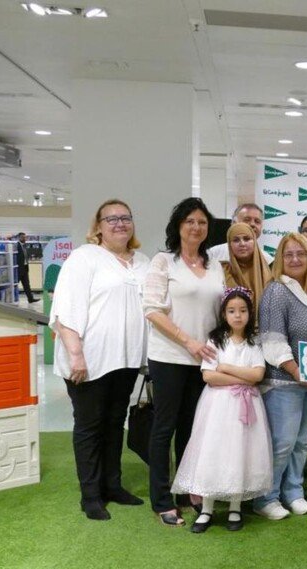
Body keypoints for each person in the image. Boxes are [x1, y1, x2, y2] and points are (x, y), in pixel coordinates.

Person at [50, 199, 149, 520]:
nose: (120, 224)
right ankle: (90, 495)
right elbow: (65, 309)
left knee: (113, 424)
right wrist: (75, 353)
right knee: (90, 427)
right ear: (98, 226)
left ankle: (113, 486)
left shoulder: (142, 262)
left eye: (125, 218)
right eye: (112, 219)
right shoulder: (85, 257)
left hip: (126, 360)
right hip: (89, 361)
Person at [143, 197, 225, 527]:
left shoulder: (214, 265)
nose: (196, 227)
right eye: (190, 221)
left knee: (192, 429)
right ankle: (162, 498)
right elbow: (151, 311)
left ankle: (186, 489)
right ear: (178, 226)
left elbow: (220, 310)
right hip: (170, 356)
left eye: (202, 222)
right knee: (165, 427)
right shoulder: (163, 262)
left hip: (204, 360)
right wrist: (188, 341)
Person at [171, 287, 272, 533]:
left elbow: (257, 375)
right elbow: (209, 376)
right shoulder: (216, 340)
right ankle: (206, 508)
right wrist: (241, 378)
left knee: (241, 451)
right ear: (224, 314)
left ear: (250, 313)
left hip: (246, 406)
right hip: (217, 406)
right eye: (231, 311)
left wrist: (226, 367)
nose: (237, 316)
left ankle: (235, 507)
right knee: (213, 451)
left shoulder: (254, 342)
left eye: (243, 310)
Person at [254, 232, 307, 520]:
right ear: (280, 260)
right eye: (289, 255)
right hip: (285, 381)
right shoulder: (276, 291)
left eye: (301, 254)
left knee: (301, 442)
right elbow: (273, 341)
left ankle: (293, 492)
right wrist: (296, 371)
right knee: (282, 443)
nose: (295, 259)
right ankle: (266, 498)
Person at [220, 222, 272, 310]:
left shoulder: (270, 270)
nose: (242, 244)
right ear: (229, 244)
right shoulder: (222, 271)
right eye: (236, 240)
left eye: (247, 239)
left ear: (254, 241)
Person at [208, 203, 273, 263]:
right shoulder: (213, 254)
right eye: (247, 220)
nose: (252, 224)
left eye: (257, 221)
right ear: (233, 223)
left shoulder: (268, 261)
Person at [15, 232, 38, 303]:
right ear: (19, 238)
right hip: (19, 269)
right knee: (15, 284)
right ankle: (13, 298)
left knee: (27, 285)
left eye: (25, 237)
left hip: (25, 268)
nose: (25, 239)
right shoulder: (16, 245)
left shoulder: (25, 246)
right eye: (23, 237)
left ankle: (30, 299)